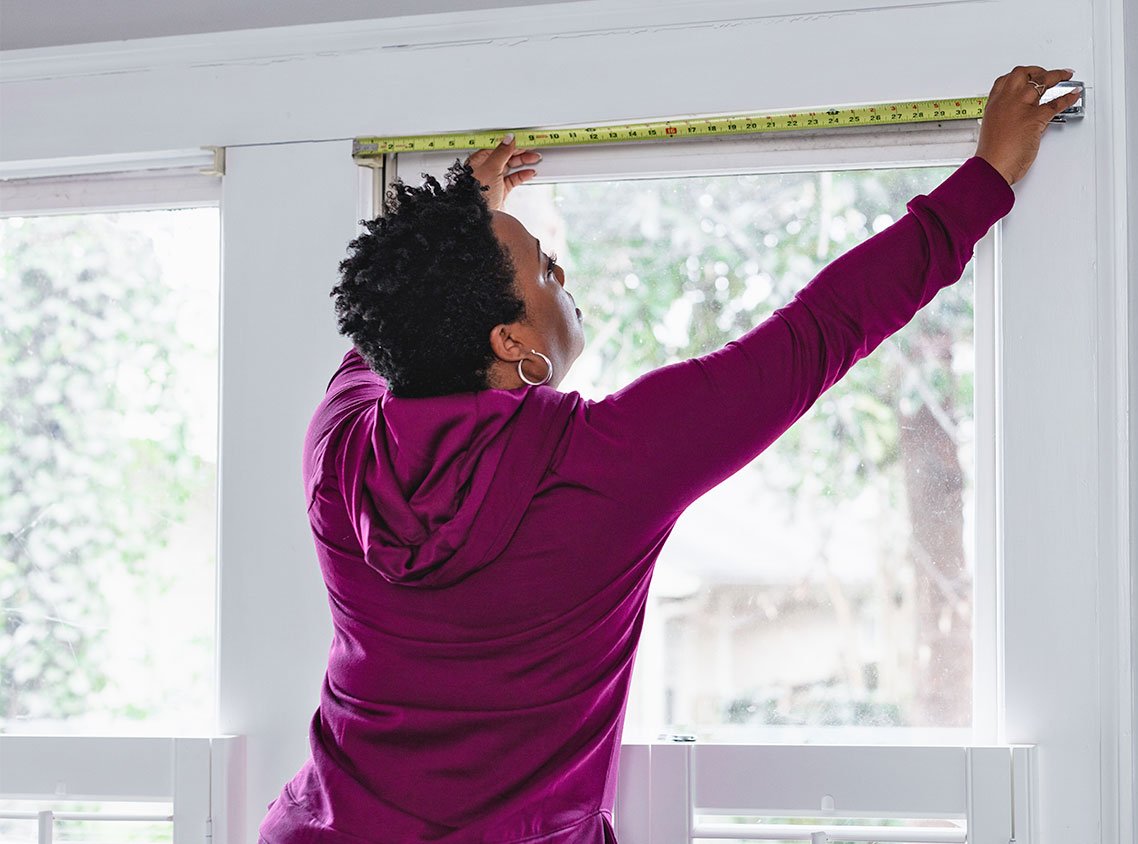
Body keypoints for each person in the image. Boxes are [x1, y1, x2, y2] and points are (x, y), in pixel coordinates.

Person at [258, 65, 1080, 844]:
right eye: (545, 270)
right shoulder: (608, 463)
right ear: (513, 343)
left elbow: (386, 334)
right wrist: (986, 179)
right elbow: (816, 334)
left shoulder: (337, 450)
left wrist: (462, 218)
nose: (560, 268)